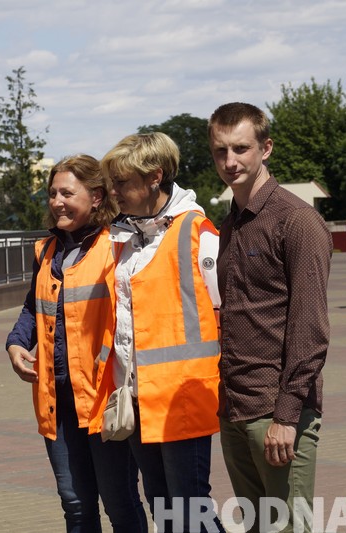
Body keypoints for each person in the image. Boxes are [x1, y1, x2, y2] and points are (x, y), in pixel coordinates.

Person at [6, 154, 148, 533]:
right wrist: (17, 343)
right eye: (52, 193)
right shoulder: (46, 250)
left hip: (104, 399)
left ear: (97, 197)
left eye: (67, 193)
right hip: (57, 399)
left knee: (119, 502)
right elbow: (30, 308)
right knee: (75, 505)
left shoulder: (118, 247)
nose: (57, 202)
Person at [208, 102, 332, 533]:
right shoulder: (229, 225)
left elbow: (310, 326)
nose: (230, 161)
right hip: (234, 406)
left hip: (277, 412)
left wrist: (286, 416)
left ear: (266, 148)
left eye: (241, 148)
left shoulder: (297, 221)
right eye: (220, 151)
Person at [96, 132, 224, 533]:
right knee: (164, 507)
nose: (113, 192)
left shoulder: (197, 232)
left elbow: (227, 314)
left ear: (154, 177)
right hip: (138, 396)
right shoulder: (129, 236)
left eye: (122, 183)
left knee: (189, 510)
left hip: (182, 396)